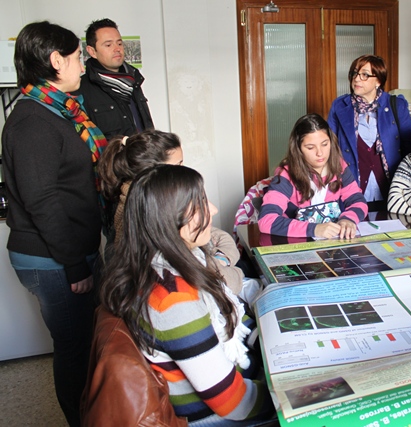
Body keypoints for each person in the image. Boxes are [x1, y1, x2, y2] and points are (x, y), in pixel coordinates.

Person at [101, 165, 274, 425]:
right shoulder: (172, 300)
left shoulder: (177, 260)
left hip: (238, 383)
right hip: (216, 416)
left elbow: (230, 314)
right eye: (201, 203)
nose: (213, 209)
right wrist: (289, 397)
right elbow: (232, 403)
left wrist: (268, 340)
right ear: (170, 219)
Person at [1, 21, 105, 427]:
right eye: (78, 57)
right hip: (52, 259)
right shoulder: (32, 122)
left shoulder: (59, 110)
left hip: (69, 251)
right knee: (74, 348)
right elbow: (41, 201)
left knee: (86, 341)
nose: (82, 65)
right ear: (56, 61)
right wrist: (75, 266)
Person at [98, 130, 248, 298]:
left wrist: (222, 258)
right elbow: (207, 275)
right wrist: (228, 269)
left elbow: (216, 235)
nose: (212, 210)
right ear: (155, 172)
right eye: (178, 165)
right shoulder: (148, 214)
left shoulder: (157, 203)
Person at [258, 113, 368, 239]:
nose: (320, 153)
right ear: (298, 149)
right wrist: (314, 229)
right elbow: (266, 220)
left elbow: (358, 201)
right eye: (310, 148)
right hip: (294, 242)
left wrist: (348, 219)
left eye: (325, 144)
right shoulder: (286, 175)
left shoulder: (339, 166)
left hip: (329, 241)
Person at [327, 55, 411, 207]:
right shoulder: (340, 106)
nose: (357, 79)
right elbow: (330, 149)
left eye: (365, 75)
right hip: (351, 190)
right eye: (355, 73)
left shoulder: (396, 105)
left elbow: (410, 151)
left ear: (378, 80)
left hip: (393, 191)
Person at [73, 18, 154, 140]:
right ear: (92, 51)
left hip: (145, 151)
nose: (117, 49)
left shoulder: (132, 80)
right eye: (108, 45)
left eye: (119, 43)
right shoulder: (81, 89)